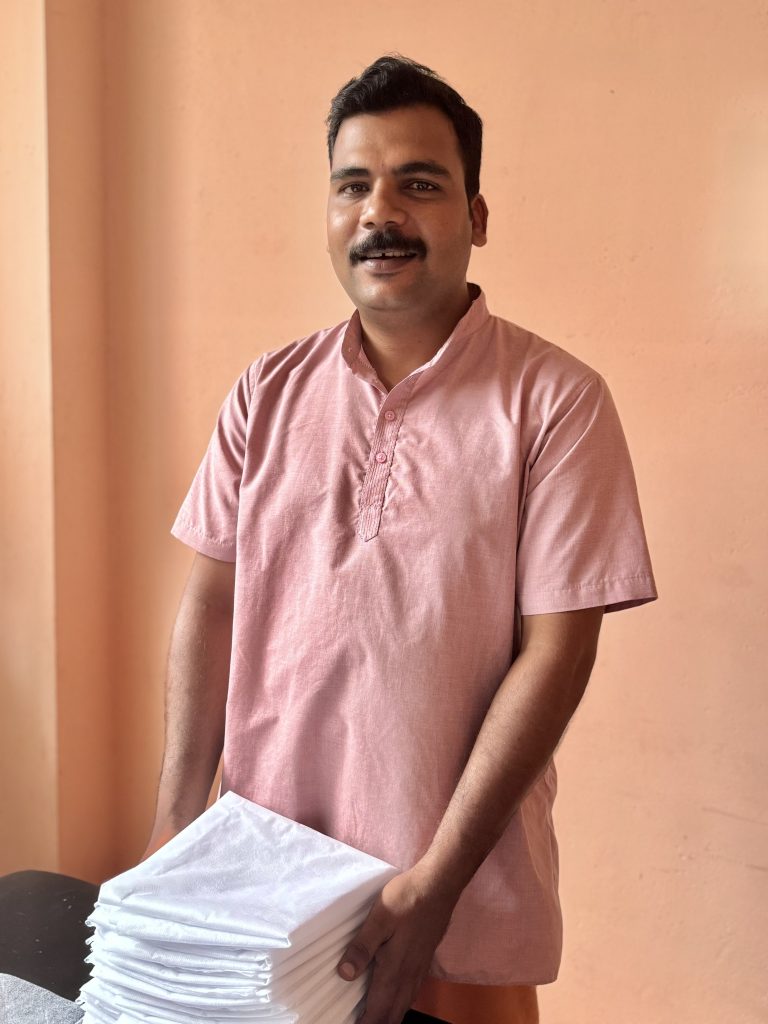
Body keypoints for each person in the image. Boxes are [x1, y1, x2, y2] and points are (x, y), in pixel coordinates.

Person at [142, 56, 657, 1024]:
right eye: (354, 185)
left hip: (456, 886)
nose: (382, 212)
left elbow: (557, 653)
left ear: (477, 215)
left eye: (420, 183)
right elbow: (213, 603)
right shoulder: (267, 391)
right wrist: (176, 824)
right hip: (268, 876)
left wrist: (439, 879)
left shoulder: (555, 402)